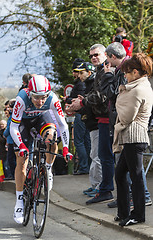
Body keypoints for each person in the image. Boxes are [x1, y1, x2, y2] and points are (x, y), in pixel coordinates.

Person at [10, 75, 71, 224]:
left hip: (41, 118)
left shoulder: (53, 99)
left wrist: (66, 149)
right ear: (29, 93)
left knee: (51, 138)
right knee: (22, 160)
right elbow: (13, 126)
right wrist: (23, 147)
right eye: (36, 97)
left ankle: (48, 169)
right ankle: (19, 201)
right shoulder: (21, 99)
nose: (40, 101)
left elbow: (63, 125)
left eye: (43, 97)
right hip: (23, 123)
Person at [69, 44, 115, 204]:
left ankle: (105, 189)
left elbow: (102, 95)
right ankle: (104, 188)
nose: (93, 57)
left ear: (105, 54)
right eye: (91, 56)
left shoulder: (108, 71)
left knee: (105, 157)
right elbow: (95, 93)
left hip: (107, 118)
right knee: (102, 156)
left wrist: (82, 103)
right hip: (100, 118)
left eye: (96, 54)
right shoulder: (100, 72)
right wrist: (81, 101)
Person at [113, 53, 153, 226]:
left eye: (127, 73)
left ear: (135, 72)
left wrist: (119, 101)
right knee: (121, 174)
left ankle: (137, 215)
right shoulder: (140, 86)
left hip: (134, 136)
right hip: (133, 136)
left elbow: (127, 116)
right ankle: (124, 212)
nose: (125, 76)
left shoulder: (137, 89)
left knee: (135, 176)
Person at [68, 62, 101, 198]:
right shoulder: (87, 84)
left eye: (82, 72)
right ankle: (95, 185)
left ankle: (99, 187)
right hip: (91, 122)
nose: (79, 76)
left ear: (89, 72)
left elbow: (95, 101)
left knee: (97, 156)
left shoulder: (92, 83)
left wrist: (79, 105)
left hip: (97, 122)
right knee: (94, 155)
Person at [64, 58, 91, 175]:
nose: (75, 74)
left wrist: (68, 99)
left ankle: (84, 166)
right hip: (85, 114)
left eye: (78, 71)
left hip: (81, 114)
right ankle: (88, 165)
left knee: (79, 142)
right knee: (87, 141)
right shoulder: (83, 83)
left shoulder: (80, 84)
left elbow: (80, 98)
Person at [3, 99, 17, 179]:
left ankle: (13, 175)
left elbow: (9, 128)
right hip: (11, 140)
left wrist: (4, 134)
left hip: (12, 141)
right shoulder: (11, 116)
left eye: (8, 107)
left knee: (11, 159)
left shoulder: (13, 116)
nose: (7, 109)